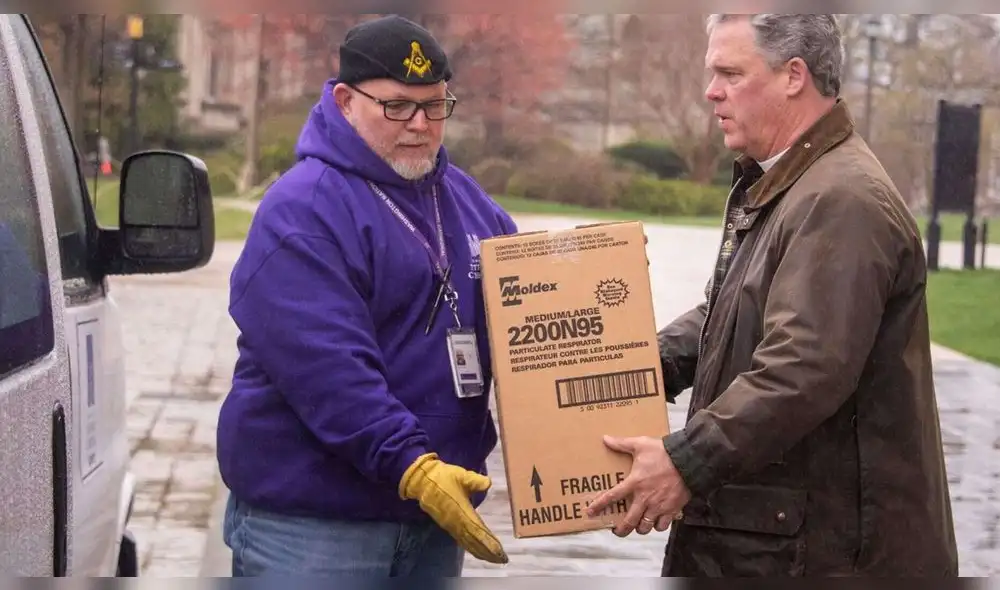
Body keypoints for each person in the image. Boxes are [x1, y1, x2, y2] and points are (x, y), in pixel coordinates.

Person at [586, 14, 959, 577]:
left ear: (793, 75)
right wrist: (637, 369)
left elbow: (804, 367)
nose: (711, 91)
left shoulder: (841, 199)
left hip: (824, 555)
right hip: (777, 545)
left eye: (730, 73)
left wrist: (686, 461)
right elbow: (730, 313)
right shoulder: (793, 182)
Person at [215, 15, 516, 577]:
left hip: (433, 520)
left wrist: (587, 291)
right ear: (346, 100)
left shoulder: (467, 202)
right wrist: (414, 468)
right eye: (397, 106)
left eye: (435, 106)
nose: (420, 124)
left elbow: (529, 308)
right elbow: (327, 370)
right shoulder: (305, 209)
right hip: (314, 527)